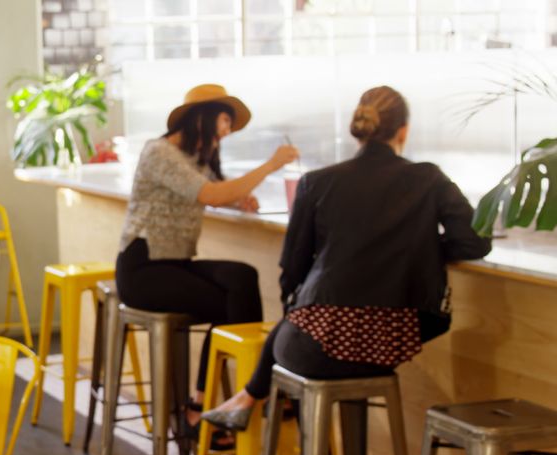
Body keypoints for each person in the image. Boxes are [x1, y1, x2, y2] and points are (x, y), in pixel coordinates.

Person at [201, 85, 492, 430]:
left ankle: (259, 403)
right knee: (303, 333)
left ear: (358, 130)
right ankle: (269, 412)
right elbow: (475, 242)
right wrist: (418, 250)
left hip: (316, 341)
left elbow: (292, 271)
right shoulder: (429, 178)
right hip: (392, 340)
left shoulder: (317, 183)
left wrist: (296, 313)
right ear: (404, 131)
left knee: (298, 333)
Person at [115, 84, 299, 443]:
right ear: (203, 116)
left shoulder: (195, 159)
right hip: (143, 270)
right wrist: (271, 165)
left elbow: (216, 193)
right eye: (225, 120)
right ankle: (228, 402)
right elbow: (210, 194)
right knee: (231, 303)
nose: (227, 130)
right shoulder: (159, 152)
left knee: (242, 277)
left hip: (174, 264)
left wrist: (240, 201)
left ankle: (221, 401)